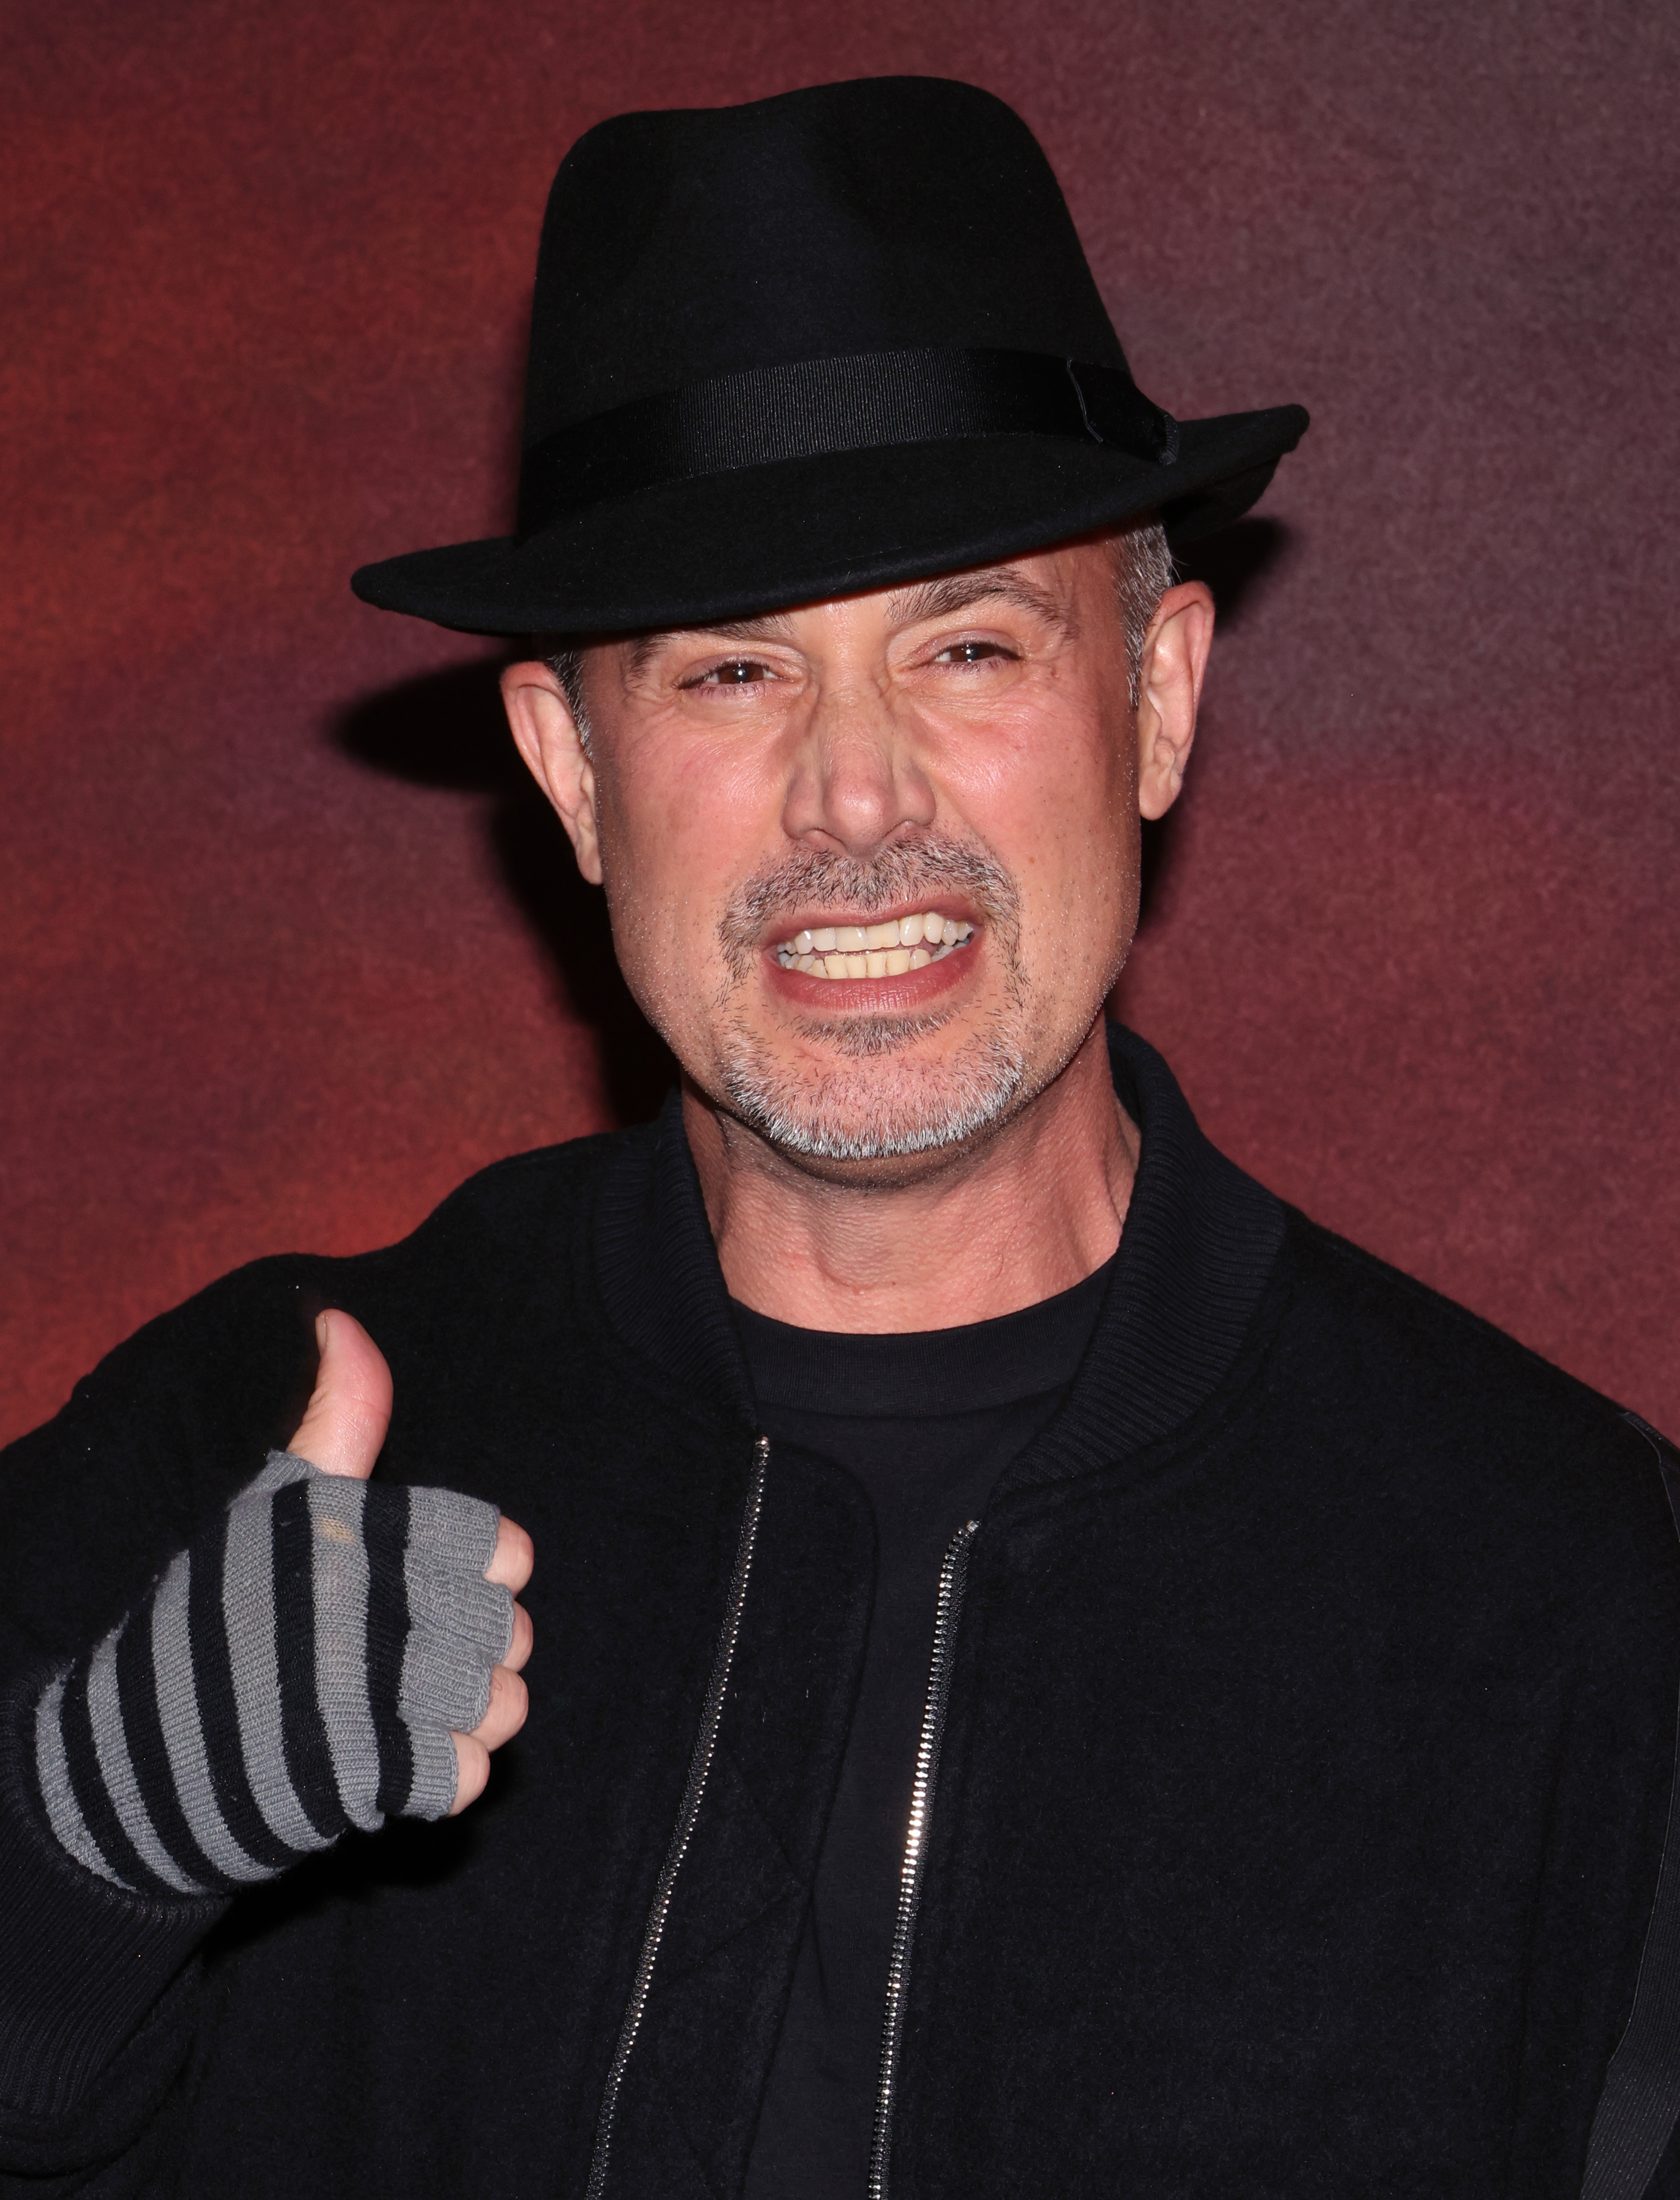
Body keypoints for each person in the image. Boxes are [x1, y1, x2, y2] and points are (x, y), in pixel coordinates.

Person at [0, 73, 1675, 2200]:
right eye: (729, 678)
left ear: (1157, 697)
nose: (856, 802)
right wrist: (76, 1856)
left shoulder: (1572, 1602)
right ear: (570, 765)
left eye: (967, 647)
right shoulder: (240, 1464)